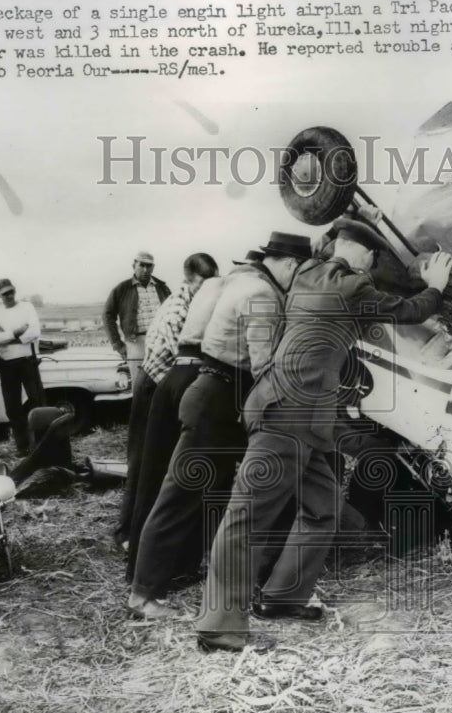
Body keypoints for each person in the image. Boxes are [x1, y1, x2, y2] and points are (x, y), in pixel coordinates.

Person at [194, 222, 452, 651]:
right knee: (247, 518)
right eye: (374, 259)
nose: (373, 266)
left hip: (299, 416)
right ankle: (218, 626)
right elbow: (409, 311)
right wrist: (437, 287)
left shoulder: (307, 275)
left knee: (323, 509)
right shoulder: (350, 287)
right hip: (289, 417)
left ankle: (282, 598)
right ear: (365, 256)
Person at [128, 232, 312, 619]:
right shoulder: (262, 294)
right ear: (290, 265)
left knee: (205, 493)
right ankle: (143, 596)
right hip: (220, 399)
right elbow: (262, 365)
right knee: (179, 496)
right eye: (299, 272)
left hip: (211, 393)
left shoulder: (237, 280)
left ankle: (249, 580)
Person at [116, 252, 220, 550]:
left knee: (155, 463)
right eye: (204, 282)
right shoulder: (178, 309)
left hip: (165, 386)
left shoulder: (194, 302)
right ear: (189, 278)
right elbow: (186, 358)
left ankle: (139, 531)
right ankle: (129, 534)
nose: (208, 289)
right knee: (144, 462)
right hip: (153, 387)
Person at [0, 278, 44, 455]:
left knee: (37, 401)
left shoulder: (27, 307)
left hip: (28, 360)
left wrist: (9, 338)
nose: (9, 296)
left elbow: (35, 331)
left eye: (11, 291)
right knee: (12, 408)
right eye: (5, 293)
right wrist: (17, 332)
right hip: (7, 364)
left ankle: (42, 444)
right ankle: (22, 447)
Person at [104, 251, 171, 381]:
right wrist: (118, 344)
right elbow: (107, 316)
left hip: (162, 342)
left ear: (153, 267)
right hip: (136, 343)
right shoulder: (122, 289)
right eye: (142, 265)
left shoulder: (162, 288)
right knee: (139, 384)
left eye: (149, 266)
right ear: (133, 266)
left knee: (164, 383)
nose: (145, 270)